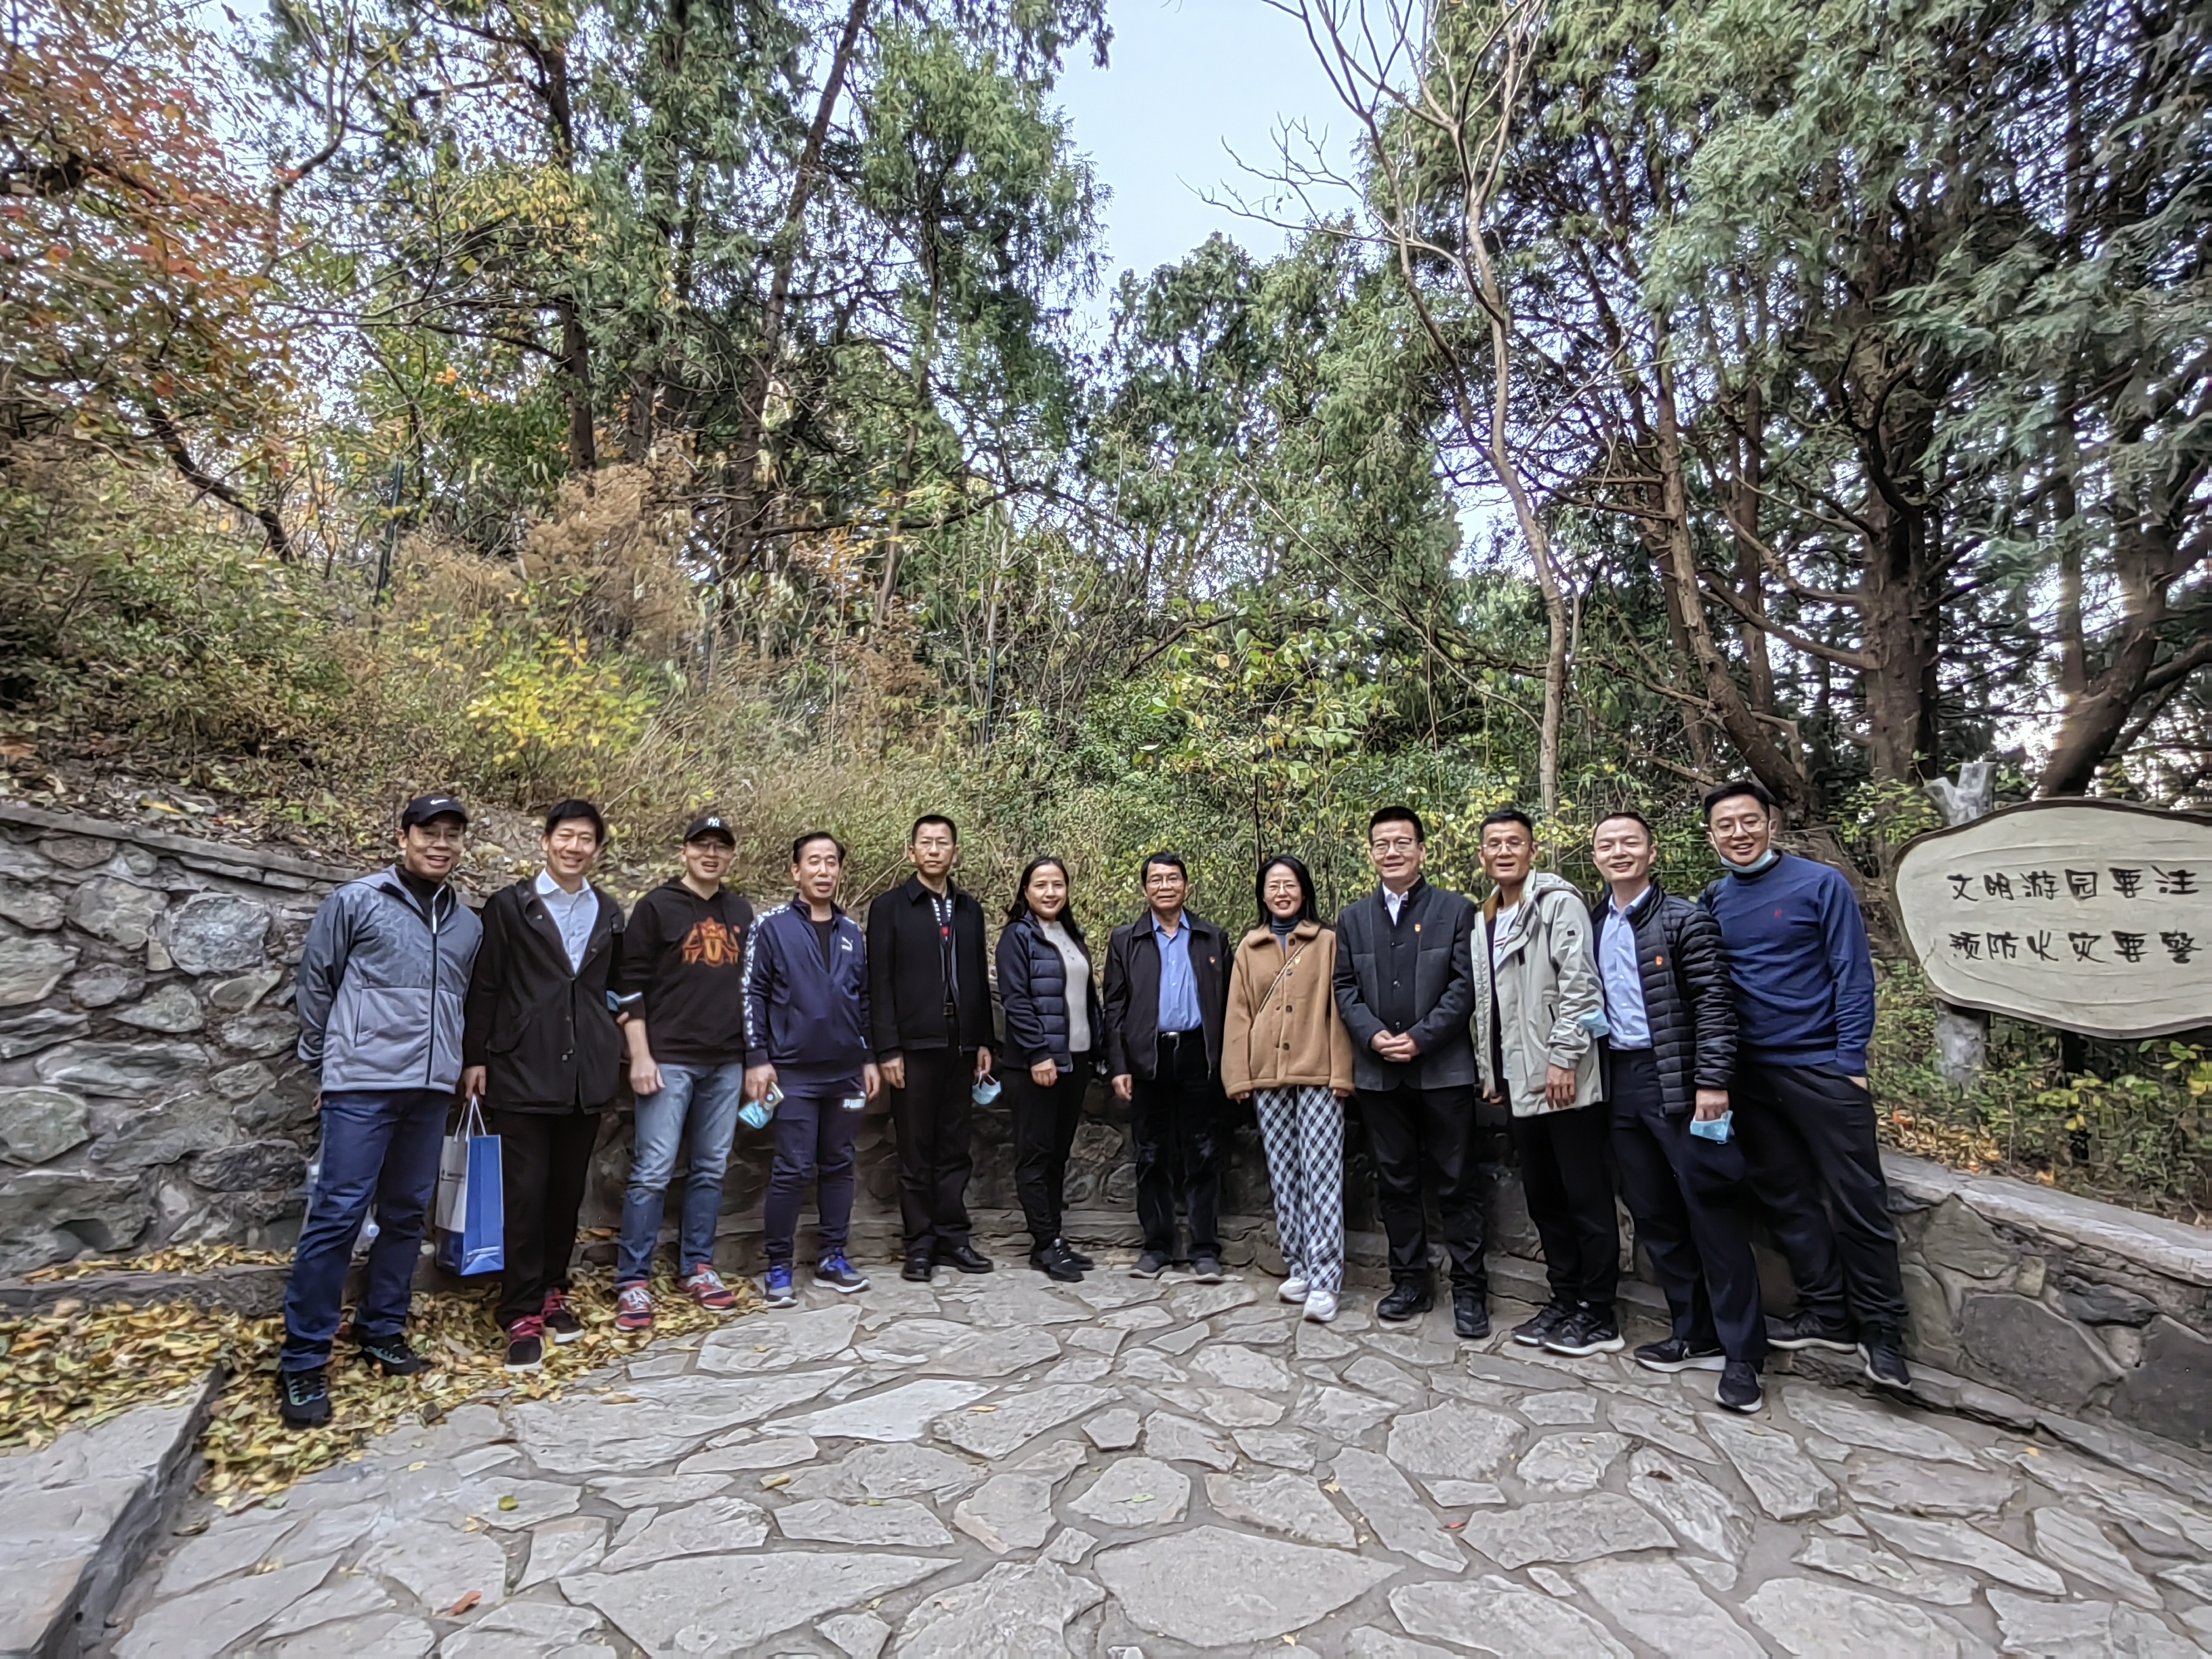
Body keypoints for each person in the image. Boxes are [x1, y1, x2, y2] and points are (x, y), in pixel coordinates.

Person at [276, 794, 483, 1427]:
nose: (441, 844)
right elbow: (317, 983)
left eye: (452, 835)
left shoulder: (466, 924)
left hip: (431, 1090)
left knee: (406, 1215)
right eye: (429, 832)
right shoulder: (356, 901)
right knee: (337, 1215)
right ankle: (303, 1360)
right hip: (361, 1085)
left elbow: (463, 1002)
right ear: (403, 837)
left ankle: (382, 1328)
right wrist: (327, 1064)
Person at [1699, 778, 1910, 1389]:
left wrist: (1850, 1061)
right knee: (1784, 1194)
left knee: (1859, 1202)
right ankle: (1827, 1312)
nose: (1738, 833)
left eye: (1748, 821)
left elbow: (1852, 972)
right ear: (1712, 837)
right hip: (1750, 1073)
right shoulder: (1715, 898)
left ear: (1771, 824)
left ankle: (1883, 1334)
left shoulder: (1821, 884)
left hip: (1821, 1067)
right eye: (1725, 826)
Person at [1589, 809, 1764, 1412]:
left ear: (1652, 852)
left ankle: (1743, 1356)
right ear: (1596, 857)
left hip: (1682, 1081)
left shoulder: (1686, 920)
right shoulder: (1594, 922)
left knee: (1712, 1213)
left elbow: (1715, 1004)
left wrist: (1712, 1082)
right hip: (1620, 1079)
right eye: (1607, 845)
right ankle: (1694, 1332)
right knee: (1654, 1214)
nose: (1619, 852)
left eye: (1630, 842)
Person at [462, 800, 626, 1374]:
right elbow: (486, 985)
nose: (574, 847)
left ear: (597, 849)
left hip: (584, 1078)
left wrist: (612, 1041)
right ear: (546, 841)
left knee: (565, 1193)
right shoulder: (511, 907)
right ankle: (520, 1310)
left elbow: (616, 988)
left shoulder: (609, 912)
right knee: (525, 1194)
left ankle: (554, 1289)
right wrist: (475, 1057)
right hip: (521, 1069)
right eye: (566, 836)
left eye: (586, 839)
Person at [1332, 806, 1489, 1336]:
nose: (1392, 852)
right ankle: (1409, 1282)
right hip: (1379, 1074)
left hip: (1443, 1070)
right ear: (1371, 853)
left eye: (1402, 842)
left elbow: (1466, 985)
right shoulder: (1354, 918)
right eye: (1382, 844)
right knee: (1396, 1182)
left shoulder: (1457, 910)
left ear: (1422, 850)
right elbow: (1344, 987)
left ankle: (1470, 1290)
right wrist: (1373, 1035)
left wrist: (1422, 1037)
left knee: (1457, 1181)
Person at [609, 813, 754, 1332]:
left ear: (731, 856)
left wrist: (754, 1057)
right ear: (684, 852)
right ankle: (633, 1279)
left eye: (720, 846)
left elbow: (753, 989)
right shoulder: (656, 907)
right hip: (668, 1058)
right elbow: (628, 984)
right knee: (652, 1171)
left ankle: (697, 1266)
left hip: (727, 1060)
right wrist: (640, 1055)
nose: (711, 854)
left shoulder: (741, 911)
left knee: (711, 1169)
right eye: (701, 845)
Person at [1480, 806, 1615, 1358]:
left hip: (1564, 1077)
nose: (1504, 851)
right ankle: (1565, 1298)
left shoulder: (1557, 903)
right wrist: (1492, 1071)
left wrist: (1563, 1059)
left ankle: (1599, 1312)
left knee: (1585, 1196)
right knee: (1545, 1199)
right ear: (1483, 855)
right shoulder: (1487, 917)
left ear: (1532, 850)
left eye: (1515, 842)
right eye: (1494, 843)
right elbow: (1491, 1004)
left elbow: (1581, 986)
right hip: (1519, 1081)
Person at [744, 830, 881, 1307]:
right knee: (793, 1168)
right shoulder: (771, 927)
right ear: (796, 871)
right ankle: (779, 1265)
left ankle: (833, 1257)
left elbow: (864, 1000)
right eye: (814, 862)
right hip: (793, 1071)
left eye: (831, 862)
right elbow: (752, 993)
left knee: (840, 1163)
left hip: (845, 1072)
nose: (824, 871)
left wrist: (868, 1057)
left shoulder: (852, 932)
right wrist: (757, 1058)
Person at [1222, 856, 1355, 1323]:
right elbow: (1238, 1014)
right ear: (1262, 894)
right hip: (1267, 1074)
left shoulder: (1328, 942)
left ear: (1304, 890)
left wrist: (1342, 1074)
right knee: (1283, 1174)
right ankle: (1299, 1265)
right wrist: (1238, 1075)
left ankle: (1326, 1277)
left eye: (1290, 884)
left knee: (1322, 1174)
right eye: (1273, 885)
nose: (1282, 893)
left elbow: (1339, 1011)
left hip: (1318, 1070)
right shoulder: (1249, 947)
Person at [867, 814, 995, 1283]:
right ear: (912, 852)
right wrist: (888, 1048)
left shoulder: (969, 910)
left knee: (955, 1148)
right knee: (916, 1150)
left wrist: (984, 1040)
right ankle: (919, 1244)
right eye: (926, 842)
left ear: (955, 853)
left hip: (960, 1047)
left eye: (943, 843)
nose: (935, 850)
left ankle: (954, 1238)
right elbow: (879, 982)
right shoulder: (890, 908)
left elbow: (978, 978)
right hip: (913, 1047)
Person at [1103, 852, 1231, 1279]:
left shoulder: (1212, 939)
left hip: (1199, 1054)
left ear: (1186, 886)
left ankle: (1204, 1249)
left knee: (1204, 1152)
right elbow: (1114, 1007)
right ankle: (1156, 1246)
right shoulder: (1126, 940)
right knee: (1151, 1155)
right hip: (1148, 1055)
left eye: (1173, 878)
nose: (1165, 886)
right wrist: (1119, 1064)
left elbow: (1231, 1005)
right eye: (1156, 880)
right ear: (1145, 889)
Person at [997, 856, 1104, 1282]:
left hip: (1075, 1061)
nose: (1050, 892)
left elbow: (1085, 999)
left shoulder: (1070, 934)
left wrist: (1098, 1048)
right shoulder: (1017, 937)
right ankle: (1044, 1243)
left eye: (1057, 884)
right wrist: (1039, 1054)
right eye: (1040, 884)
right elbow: (1017, 1001)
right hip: (1036, 1065)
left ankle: (1054, 1237)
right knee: (1035, 1154)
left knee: (1058, 1154)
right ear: (1026, 892)